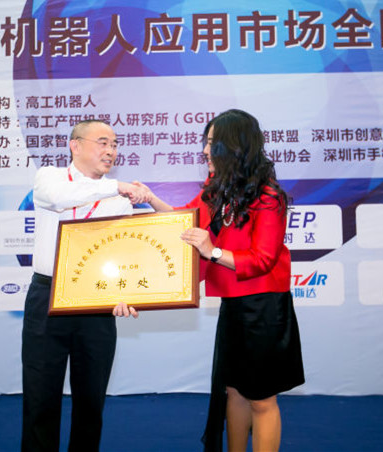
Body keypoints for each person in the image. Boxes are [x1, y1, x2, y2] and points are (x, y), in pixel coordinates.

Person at [142, 109, 305, 452]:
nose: (204, 150)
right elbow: (182, 223)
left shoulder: (268, 196)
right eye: (206, 142)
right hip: (233, 305)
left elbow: (263, 259)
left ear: (235, 146)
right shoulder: (218, 192)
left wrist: (212, 251)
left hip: (264, 308)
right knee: (233, 390)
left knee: (261, 399)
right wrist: (150, 199)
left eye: (213, 143)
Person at [22, 119, 145, 452]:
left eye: (115, 144)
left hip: (97, 301)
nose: (111, 151)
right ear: (75, 145)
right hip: (48, 296)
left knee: (91, 400)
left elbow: (121, 254)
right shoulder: (50, 177)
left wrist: (125, 293)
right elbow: (59, 199)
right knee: (40, 395)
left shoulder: (119, 201)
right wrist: (115, 186)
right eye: (103, 142)